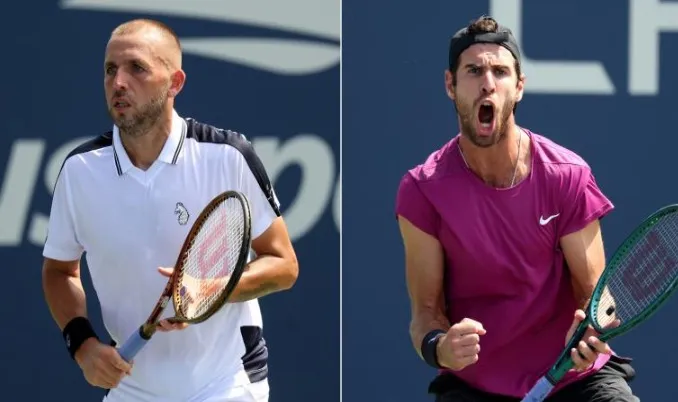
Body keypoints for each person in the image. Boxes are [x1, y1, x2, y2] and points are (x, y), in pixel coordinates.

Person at [41, 19, 299, 402]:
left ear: (175, 83)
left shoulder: (228, 156)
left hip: (226, 384)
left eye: (137, 68)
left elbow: (284, 265)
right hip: (130, 388)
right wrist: (82, 344)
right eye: (110, 69)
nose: (118, 82)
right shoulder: (79, 171)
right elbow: (59, 271)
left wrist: (209, 292)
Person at [394, 15, 638, 402]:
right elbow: (425, 312)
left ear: (519, 87)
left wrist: (591, 330)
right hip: (475, 387)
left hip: (575, 380)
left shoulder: (566, 176)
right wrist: (440, 347)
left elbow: (596, 296)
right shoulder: (422, 190)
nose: (488, 83)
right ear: (450, 85)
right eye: (474, 71)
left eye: (500, 72)